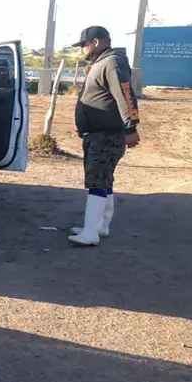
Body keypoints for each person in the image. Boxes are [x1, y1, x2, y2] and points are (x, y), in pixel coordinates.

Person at [68, 25, 140, 246]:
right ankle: (100, 226)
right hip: (97, 133)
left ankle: (91, 232)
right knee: (104, 179)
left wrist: (131, 128)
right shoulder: (101, 63)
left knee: (97, 182)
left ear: (96, 42)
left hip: (107, 135)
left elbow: (124, 94)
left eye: (84, 45)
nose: (82, 49)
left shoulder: (112, 62)